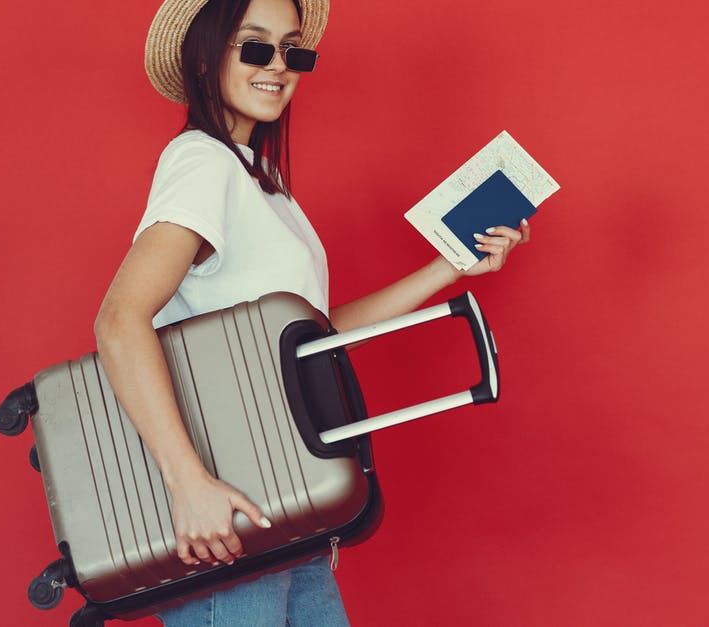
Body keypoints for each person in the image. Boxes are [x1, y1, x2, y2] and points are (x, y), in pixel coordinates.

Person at [93, 0, 531, 624]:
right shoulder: (201, 162)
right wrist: (188, 485)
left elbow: (312, 340)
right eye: (253, 46)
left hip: (287, 500)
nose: (278, 65)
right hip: (231, 508)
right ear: (201, 54)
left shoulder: (258, 176)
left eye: (292, 49)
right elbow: (119, 319)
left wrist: (449, 268)